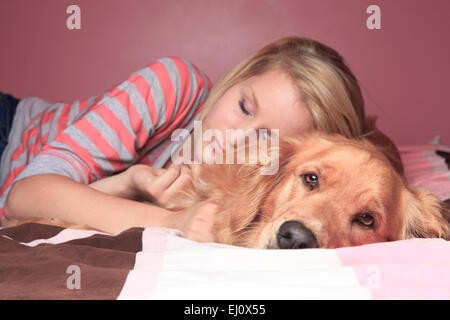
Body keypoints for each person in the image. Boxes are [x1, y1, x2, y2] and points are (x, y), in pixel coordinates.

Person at [0, 36, 403, 242]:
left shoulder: (253, 196)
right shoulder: (172, 85)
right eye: (245, 106)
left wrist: (124, 183)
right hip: (10, 127)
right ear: (239, 76)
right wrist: (170, 222)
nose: (232, 137)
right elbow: (23, 196)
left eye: (264, 140)